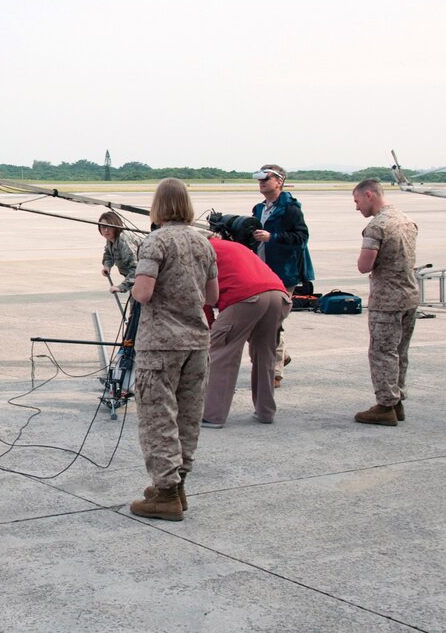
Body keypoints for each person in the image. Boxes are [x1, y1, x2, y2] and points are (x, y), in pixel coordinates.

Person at [128, 178, 218, 521]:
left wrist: (135, 283)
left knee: (157, 417)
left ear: (159, 206)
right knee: (187, 415)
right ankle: (178, 485)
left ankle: (164, 493)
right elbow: (212, 297)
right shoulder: (204, 243)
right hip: (196, 342)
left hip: (161, 345)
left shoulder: (156, 242)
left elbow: (143, 293)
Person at [200, 238, 291, 427]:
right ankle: (266, 412)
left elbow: (205, 296)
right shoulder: (233, 245)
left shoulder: (200, 250)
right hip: (279, 296)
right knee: (265, 354)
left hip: (245, 297)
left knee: (223, 354)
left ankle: (213, 415)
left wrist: (210, 328)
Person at [352, 178, 419, 426]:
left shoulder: (376, 227)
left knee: (382, 353)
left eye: (357, 201)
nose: (357, 207)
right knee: (400, 351)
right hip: (409, 295)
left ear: (369, 195)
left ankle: (385, 406)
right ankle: (397, 400)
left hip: (387, 300)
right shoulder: (405, 220)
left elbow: (364, 266)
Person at [251, 164, 313, 387]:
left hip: (283, 273)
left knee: (274, 322)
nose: (262, 183)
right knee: (259, 320)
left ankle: (275, 372)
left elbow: (301, 237)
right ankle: (281, 355)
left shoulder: (290, 209)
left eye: (266, 179)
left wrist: (273, 236)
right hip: (261, 270)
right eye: (259, 180)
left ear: (279, 181)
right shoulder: (259, 209)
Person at [98, 211, 140, 295]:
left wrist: (121, 287)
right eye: (103, 227)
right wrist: (107, 266)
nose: (106, 230)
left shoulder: (123, 240)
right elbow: (108, 254)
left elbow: (137, 269)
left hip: (143, 281)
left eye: (110, 227)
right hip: (135, 283)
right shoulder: (111, 240)